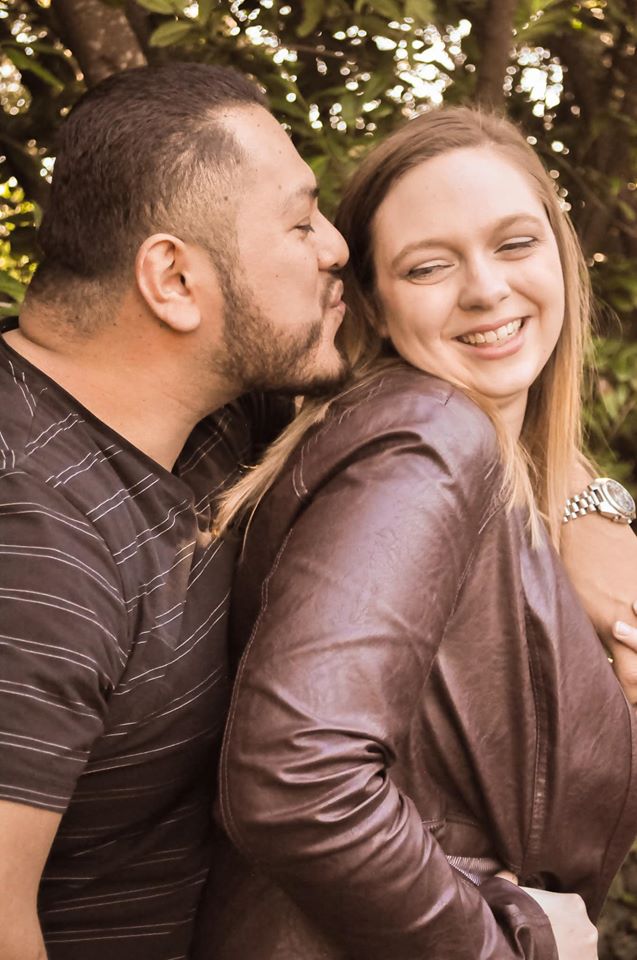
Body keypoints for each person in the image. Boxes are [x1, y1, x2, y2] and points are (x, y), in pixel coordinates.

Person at [195, 107, 637, 960]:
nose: (485, 289)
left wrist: (593, 510)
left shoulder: (469, 443)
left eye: (515, 243)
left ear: (559, 251)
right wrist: (505, 944)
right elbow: (297, 780)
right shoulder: (426, 440)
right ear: (371, 302)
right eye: (428, 266)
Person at [0, 61, 349, 960]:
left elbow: (451, 362)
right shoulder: (38, 559)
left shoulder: (206, 404)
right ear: (174, 281)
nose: (335, 246)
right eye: (301, 222)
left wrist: (588, 512)